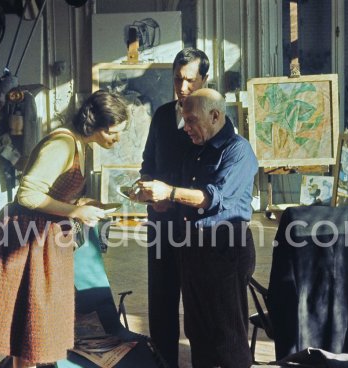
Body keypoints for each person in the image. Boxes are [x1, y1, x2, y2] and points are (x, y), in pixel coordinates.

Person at [0, 90, 128, 368]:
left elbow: (52, 193)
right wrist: (75, 211)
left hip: (43, 238)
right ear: (95, 125)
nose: (117, 138)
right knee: (28, 327)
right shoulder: (62, 144)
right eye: (114, 131)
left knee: (34, 328)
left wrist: (80, 202)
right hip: (25, 239)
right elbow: (27, 195)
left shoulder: (79, 144)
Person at [138, 88, 258, 368]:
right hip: (192, 251)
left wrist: (168, 193)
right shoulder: (195, 149)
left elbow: (212, 198)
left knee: (228, 338)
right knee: (198, 334)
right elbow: (186, 196)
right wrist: (162, 203)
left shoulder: (238, 151)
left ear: (215, 115)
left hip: (224, 252)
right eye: (184, 120)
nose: (185, 128)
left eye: (191, 121)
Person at [139, 47, 209, 368]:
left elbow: (216, 182)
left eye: (190, 80)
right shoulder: (162, 116)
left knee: (198, 309)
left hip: (197, 230)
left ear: (205, 80)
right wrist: (148, 193)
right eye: (178, 79)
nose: (182, 88)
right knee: (161, 305)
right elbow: (147, 164)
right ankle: (165, 362)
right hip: (161, 225)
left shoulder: (216, 121)